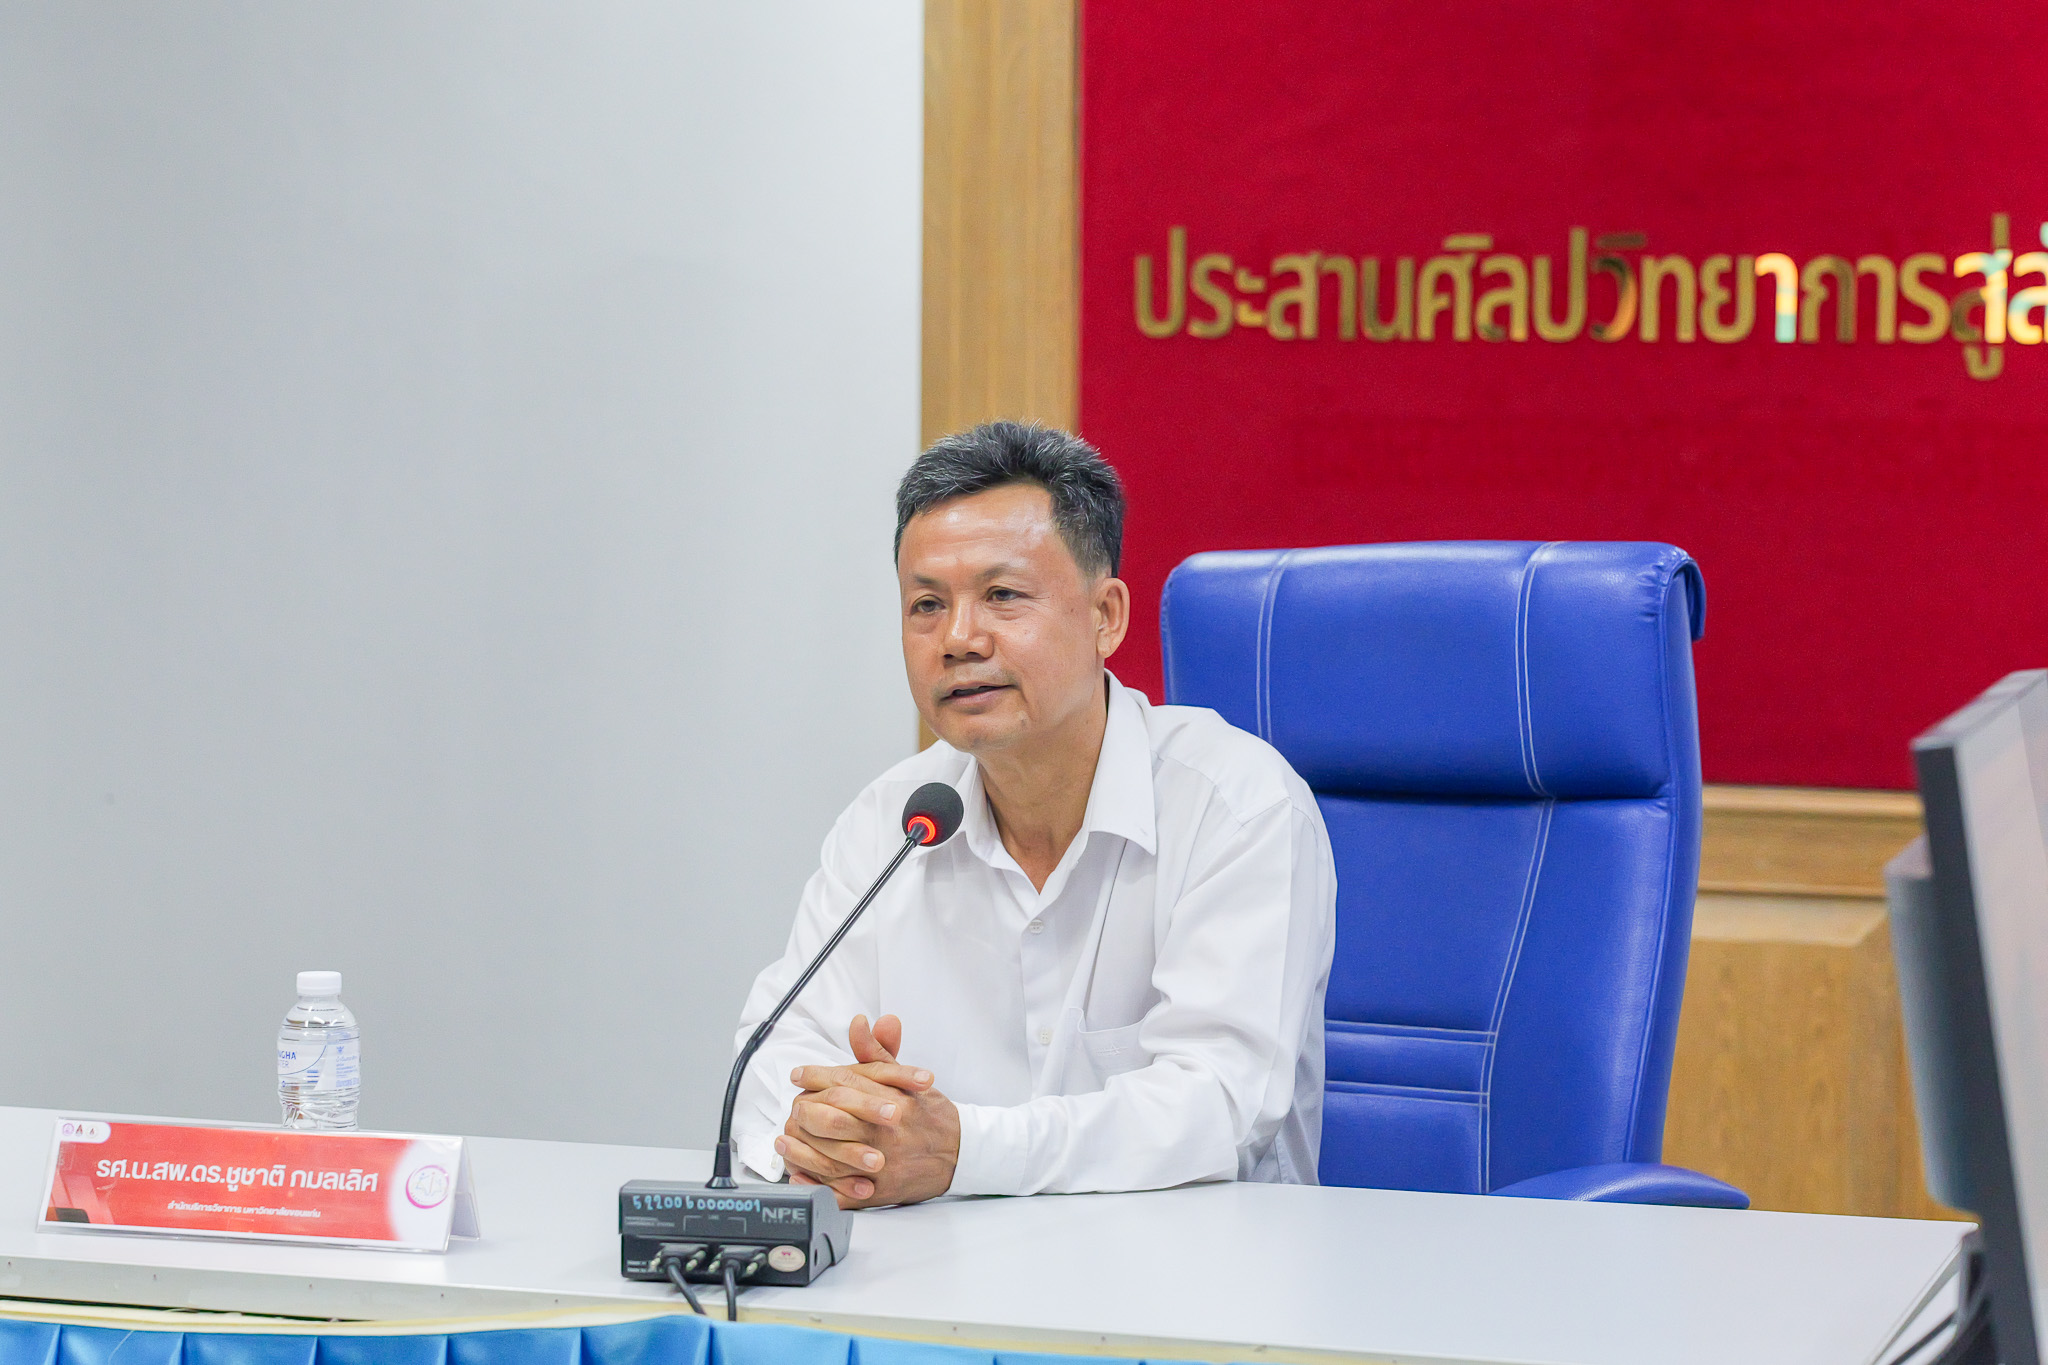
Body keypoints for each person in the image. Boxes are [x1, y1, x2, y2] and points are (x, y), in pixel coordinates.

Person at [730, 421, 1336, 1206]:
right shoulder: (892, 821)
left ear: (1106, 615)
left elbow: (1219, 1103)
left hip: (1192, 1271)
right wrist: (835, 1132)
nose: (958, 638)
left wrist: (962, 1152)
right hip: (942, 1268)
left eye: (1002, 596)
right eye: (926, 605)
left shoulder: (1236, 805)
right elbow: (774, 1053)